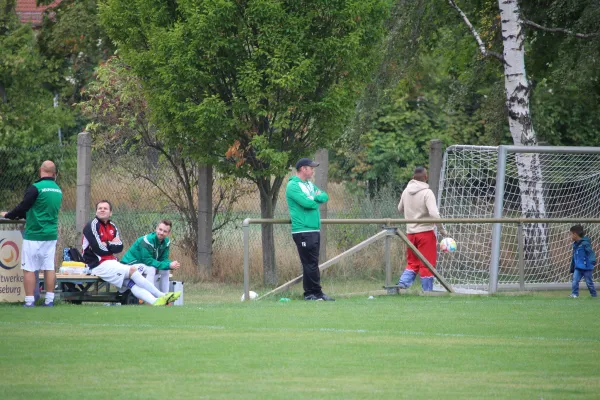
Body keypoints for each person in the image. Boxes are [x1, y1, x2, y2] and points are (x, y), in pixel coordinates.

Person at [82, 200, 180, 306]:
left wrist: (107, 244)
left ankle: (155, 301)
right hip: (97, 264)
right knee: (132, 271)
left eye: (105, 208)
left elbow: (119, 247)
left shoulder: (112, 227)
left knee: (131, 284)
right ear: (96, 211)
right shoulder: (91, 225)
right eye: (99, 208)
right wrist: (111, 244)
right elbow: (98, 248)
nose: (102, 210)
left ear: (110, 213)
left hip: (110, 262)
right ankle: (161, 295)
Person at [1, 160, 62, 307]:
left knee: (29, 267)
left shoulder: (36, 188)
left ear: (41, 170)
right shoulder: (58, 189)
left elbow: (23, 207)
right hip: (51, 234)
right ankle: (49, 300)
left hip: (34, 234)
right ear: (54, 173)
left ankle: (29, 301)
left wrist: (8, 215)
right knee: (49, 267)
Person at [286, 157, 334, 301]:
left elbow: (324, 197)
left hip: (313, 229)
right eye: (311, 168)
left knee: (312, 263)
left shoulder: (309, 185)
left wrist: (313, 197)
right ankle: (311, 294)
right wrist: (314, 198)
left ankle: (315, 293)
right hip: (303, 230)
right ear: (303, 169)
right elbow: (308, 204)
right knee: (310, 263)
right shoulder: (293, 186)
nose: (313, 170)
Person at [396, 166, 447, 292]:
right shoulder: (427, 193)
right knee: (427, 264)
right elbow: (434, 214)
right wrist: (442, 230)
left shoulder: (406, 191)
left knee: (412, 263)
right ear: (426, 177)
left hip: (410, 234)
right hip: (425, 233)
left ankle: (402, 285)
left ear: (413, 177)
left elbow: (399, 208)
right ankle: (427, 291)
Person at [121, 220, 180, 293]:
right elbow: (148, 261)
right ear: (156, 228)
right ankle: (150, 298)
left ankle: (165, 297)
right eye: (160, 229)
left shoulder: (166, 242)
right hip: (128, 266)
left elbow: (163, 259)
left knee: (166, 270)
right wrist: (168, 265)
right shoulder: (147, 240)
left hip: (143, 266)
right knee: (152, 269)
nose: (161, 233)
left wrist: (171, 265)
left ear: (168, 233)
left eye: (165, 231)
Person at [569, 225, 597, 298]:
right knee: (575, 280)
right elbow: (574, 257)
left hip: (587, 267)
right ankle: (574, 294)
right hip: (578, 267)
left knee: (589, 282)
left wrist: (592, 261)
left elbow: (590, 252)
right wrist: (572, 266)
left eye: (570, 234)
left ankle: (594, 295)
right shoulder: (575, 244)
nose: (570, 236)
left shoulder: (585, 243)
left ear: (575, 234)